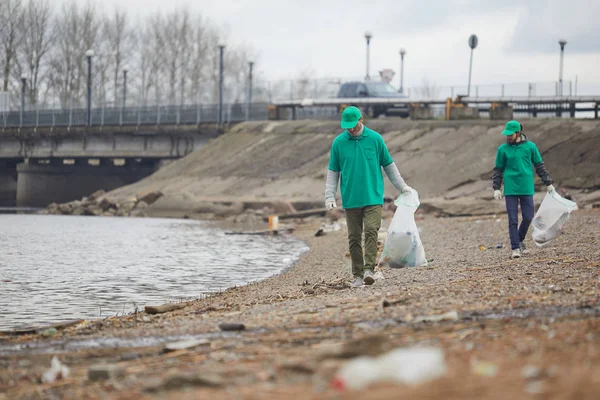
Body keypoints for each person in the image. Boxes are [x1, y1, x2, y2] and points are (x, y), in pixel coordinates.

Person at [325, 106, 412, 288]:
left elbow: (389, 166)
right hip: (350, 198)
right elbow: (333, 171)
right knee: (354, 237)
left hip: (373, 196)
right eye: (347, 126)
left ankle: (368, 270)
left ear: (361, 119)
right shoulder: (339, 143)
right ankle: (357, 275)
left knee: (371, 230)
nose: (350, 129)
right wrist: (329, 196)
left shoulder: (375, 139)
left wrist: (402, 186)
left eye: (353, 125)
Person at [492, 120, 554, 259]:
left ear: (518, 133)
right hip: (510, 188)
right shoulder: (502, 149)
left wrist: (548, 183)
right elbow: (498, 169)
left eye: (510, 134)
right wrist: (496, 187)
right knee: (512, 219)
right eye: (506, 134)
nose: (507, 136)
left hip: (526, 187)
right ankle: (515, 248)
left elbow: (539, 166)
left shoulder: (531, 147)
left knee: (528, 217)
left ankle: (519, 240)